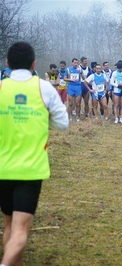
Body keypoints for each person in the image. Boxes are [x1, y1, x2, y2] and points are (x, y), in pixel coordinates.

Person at [0, 41, 69, 266]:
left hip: (3, 168)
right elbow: (63, 124)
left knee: (9, 225)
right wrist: (40, 116)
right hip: (30, 170)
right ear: (34, 64)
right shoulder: (44, 88)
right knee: (21, 229)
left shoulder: (1, 88)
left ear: (7, 63)